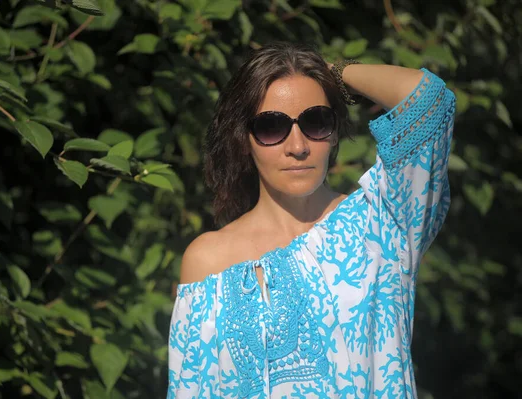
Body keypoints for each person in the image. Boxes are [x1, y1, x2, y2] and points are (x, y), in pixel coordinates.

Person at [167, 42, 455, 398]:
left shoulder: (382, 223)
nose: (298, 145)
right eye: (272, 127)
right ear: (244, 139)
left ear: (334, 132)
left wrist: (331, 71)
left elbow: (428, 101)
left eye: (315, 121)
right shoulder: (208, 261)